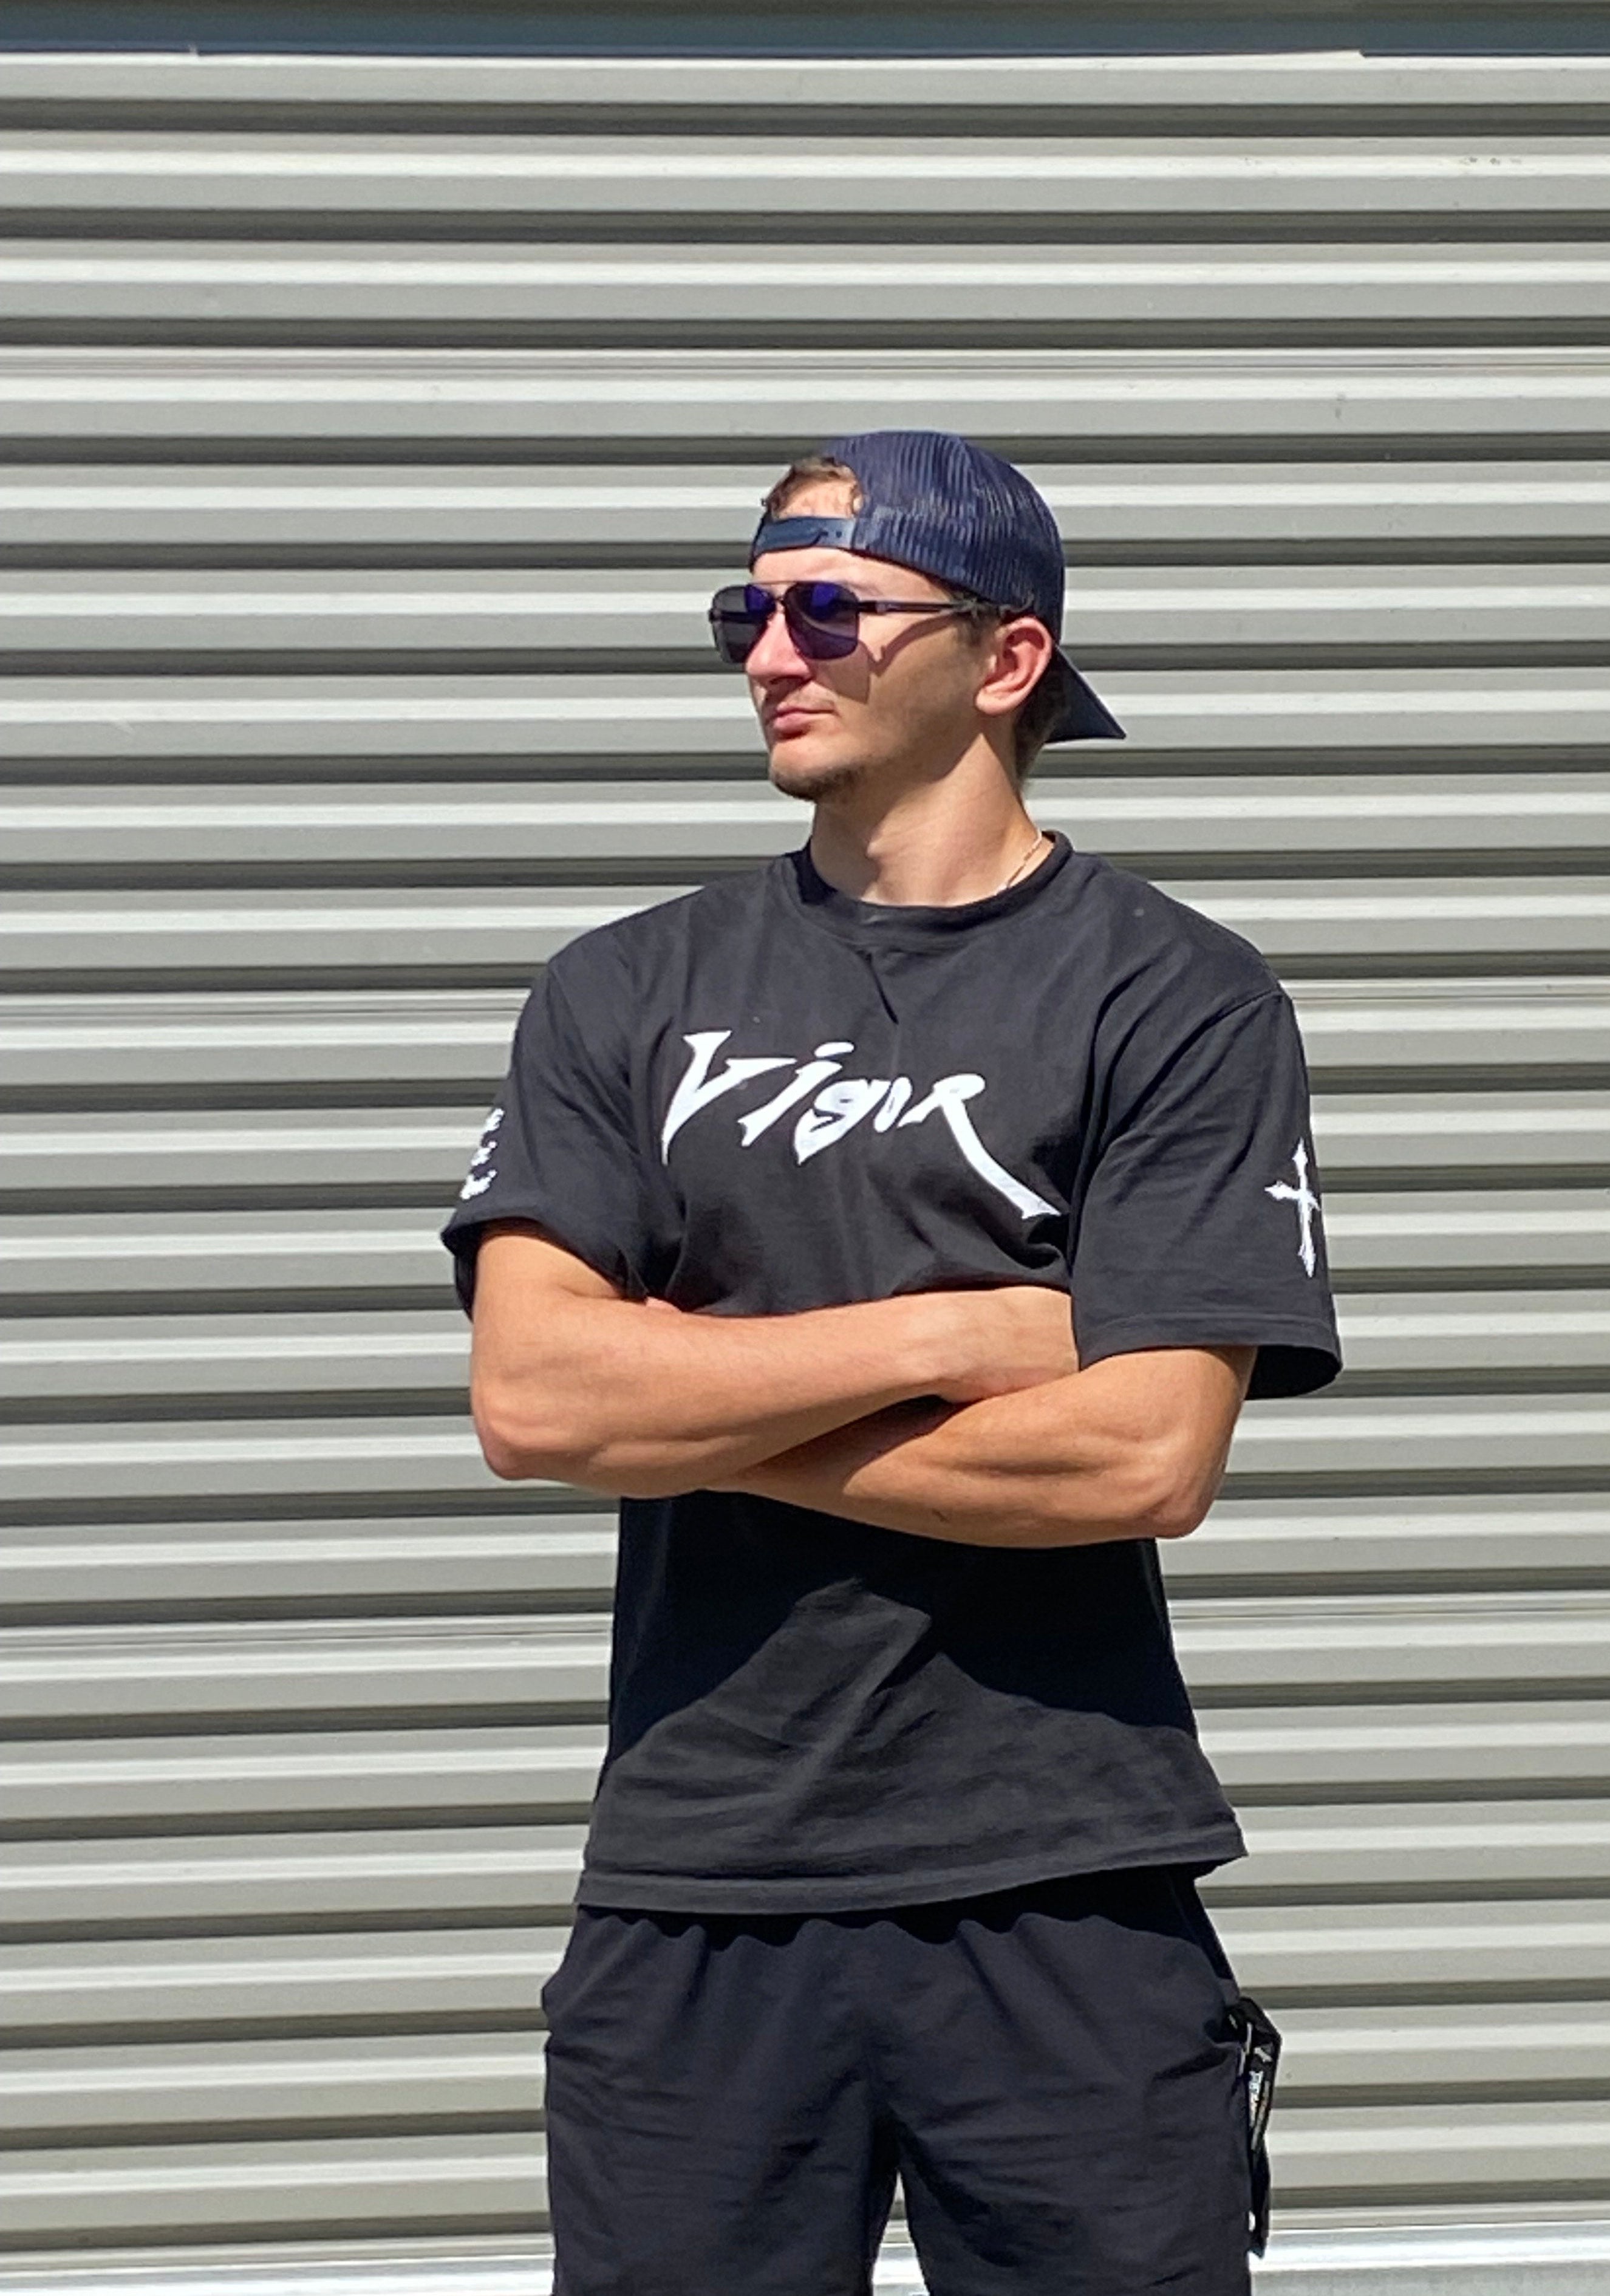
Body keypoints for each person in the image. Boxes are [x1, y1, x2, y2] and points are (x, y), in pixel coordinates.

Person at [442, 429, 1341, 2296]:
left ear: (1004, 659)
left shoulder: (1174, 996)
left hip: (1067, 1884)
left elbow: (1137, 1461)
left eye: (830, 608)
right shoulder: (621, 989)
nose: (774, 653)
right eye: (745, 613)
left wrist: (684, 1401)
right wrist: (956, 1334)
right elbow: (534, 1398)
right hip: (701, 1881)